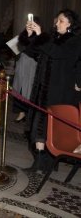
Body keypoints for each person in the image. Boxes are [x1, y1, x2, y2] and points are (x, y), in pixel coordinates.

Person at [23, 9, 81, 172]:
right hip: (42, 89)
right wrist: (31, 36)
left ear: (70, 23)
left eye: (61, 21)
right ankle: (39, 160)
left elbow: (57, 53)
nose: (56, 24)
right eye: (57, 21)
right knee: (38, 126)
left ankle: (49, 163)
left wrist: (41, 36)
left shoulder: (75, 41)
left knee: (50, 128)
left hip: (59, 92)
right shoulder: (53, 38)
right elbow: (33, 52)